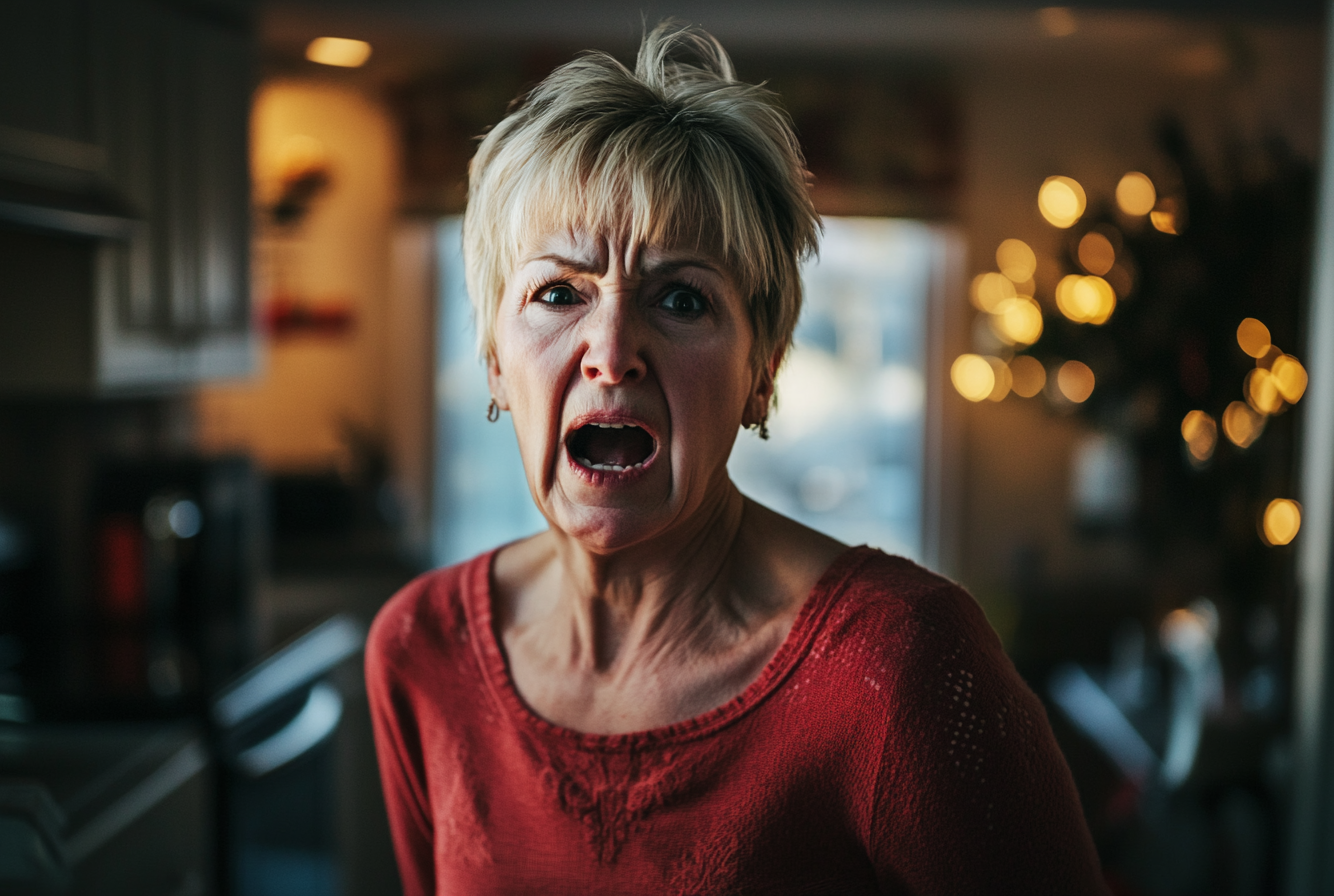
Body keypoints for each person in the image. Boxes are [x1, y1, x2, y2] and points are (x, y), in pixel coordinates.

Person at [366, 22, 1107, 895]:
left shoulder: (902, 669)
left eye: (683, 298)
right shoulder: (420, 651)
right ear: (494, 359)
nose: (611, 351)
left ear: (764, 372)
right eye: (559, 292)